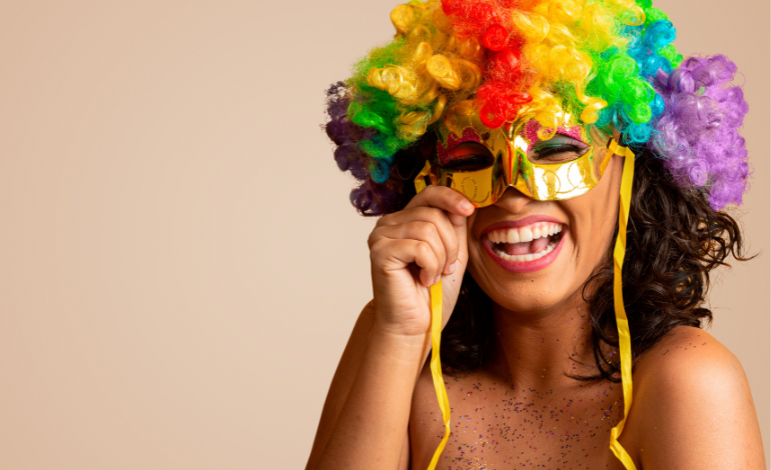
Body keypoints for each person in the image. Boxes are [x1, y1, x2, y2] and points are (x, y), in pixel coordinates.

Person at [307, 0, 764, 468]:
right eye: (468, 160)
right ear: (424, 182)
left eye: (555, 149)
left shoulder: (686, 381)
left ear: (635, 169)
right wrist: (401, 337)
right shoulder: (392, 341)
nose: (512, 193)